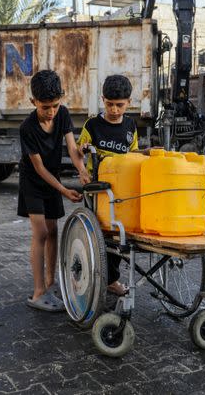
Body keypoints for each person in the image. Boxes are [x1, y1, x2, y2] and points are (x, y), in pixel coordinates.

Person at [18, 70, 90, 312]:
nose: (51, 112)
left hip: (53, 178)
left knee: (53, 230)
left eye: (55, 105)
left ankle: (51, 283)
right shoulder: (27, 127)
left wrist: (81, 170)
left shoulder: (63, 114)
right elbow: (37, 168)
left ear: (62, 98)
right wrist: (64, 190)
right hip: (34, 182)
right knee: (39, 233)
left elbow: (72, 147)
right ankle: (38, 293)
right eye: (45, 107)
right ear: (33, 102)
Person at [77, 74, 138, 296]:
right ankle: (103, 277)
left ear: (129, 102)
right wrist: (83, 152)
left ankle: (111, 277)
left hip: (123, 190)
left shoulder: (131, 126)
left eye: (119, 105)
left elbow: (133, 155)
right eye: (109, 104)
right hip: (99, 189)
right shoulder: (92, 125)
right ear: (103, 99)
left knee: (119, 235)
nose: (114, 110)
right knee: (102, 234)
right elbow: (79, 148)